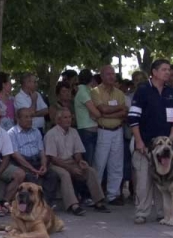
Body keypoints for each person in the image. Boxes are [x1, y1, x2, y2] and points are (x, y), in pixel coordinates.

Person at [128, 59, 173, 224]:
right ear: (154, 72)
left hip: (164, 146)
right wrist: (139, 141)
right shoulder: (142, 91)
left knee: (162, 179)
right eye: (164, 69)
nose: (168, 72)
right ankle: (142, 212)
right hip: (144, 142)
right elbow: (133, 118)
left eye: (169, 70)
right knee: (143, 179)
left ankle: (161, 212)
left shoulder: (170, 92)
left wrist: (169, 142)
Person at [44, 108, 110, 216]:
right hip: (56, 163)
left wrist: (80, 161)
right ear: (58, 120)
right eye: (65, 117)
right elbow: (52, 158)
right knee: (65, 174)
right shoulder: (51, 134)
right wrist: (70, 168)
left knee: (90, 170)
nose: (68, 119)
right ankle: (74, 205)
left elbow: (77, 152)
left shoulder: (73, 131)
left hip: (71, 161)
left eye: (70, 117)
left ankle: (98, 202)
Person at [91, 65, 128, 206]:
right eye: (108, 74)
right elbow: (102, 110)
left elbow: (124, 113)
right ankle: (97, 196)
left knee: (116, 164)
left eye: (113, 74)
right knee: (99, 164)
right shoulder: (96, 91)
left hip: (118, 130)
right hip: (103, 131)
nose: (112, 77)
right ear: (101, 76)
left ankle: (113, 195)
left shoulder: (119, 93)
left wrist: (109, 112)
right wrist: (117, 109)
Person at [8, 107, 60, 206]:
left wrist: (43, 164)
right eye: (26, 117)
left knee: (52, 175)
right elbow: (16, 155)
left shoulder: (36, 131)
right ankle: (39, 204)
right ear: (18, 119)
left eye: (31, 117)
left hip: (37, 161)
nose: (29, 119)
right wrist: (31, 169)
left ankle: (46, 203)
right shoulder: (12, 133)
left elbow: (41, 150)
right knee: (31, 178)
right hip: (23, 163)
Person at [74, 69, 101, 165]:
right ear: (91, 79)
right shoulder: (83, 92)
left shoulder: (88, 90)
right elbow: (96, 112)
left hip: (91, 130)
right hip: (86, 131)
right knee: (88, 162)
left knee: (94, 161)